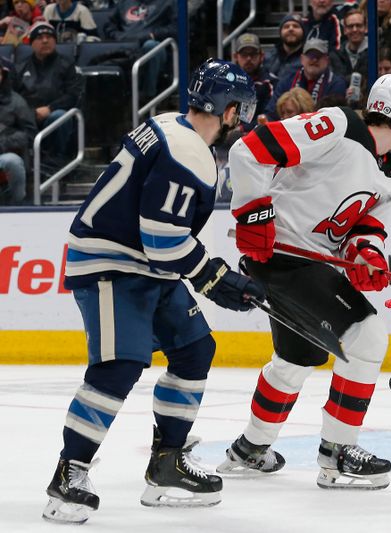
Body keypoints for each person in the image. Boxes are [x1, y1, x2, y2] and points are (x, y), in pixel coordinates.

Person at [42, 59, 265, 525]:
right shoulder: (191, 154)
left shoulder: (168, 124)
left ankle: (167, 462)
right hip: (110, 262)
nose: (240, 120)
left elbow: (160, 243)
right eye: (239, 109)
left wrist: (211, 276)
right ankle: (70, 472)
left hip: (141, 263)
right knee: (119, 365)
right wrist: (215, 277)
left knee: (195, 349)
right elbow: (162, 240)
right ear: (226, 109)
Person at [218, 74, 391, 490]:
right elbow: (249, 150)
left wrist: (367, 255)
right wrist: (253, 213)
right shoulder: (338, 124)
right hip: (281, 257)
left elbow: (365, 228)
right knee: (368, 338)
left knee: (295, 361)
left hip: (305, 265)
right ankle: (338, 454)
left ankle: (248, 449)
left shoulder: (389, 171)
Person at [14, 22, 84, 165]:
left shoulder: (67, 64)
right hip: (27, 117)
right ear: (32, 43)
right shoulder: (20, 67)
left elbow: (73, 95)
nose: (45, 41)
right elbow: (12, 97)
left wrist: (49, 109)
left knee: (58, 116)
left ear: (55, 41)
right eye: (39, 38)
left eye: (49, 37)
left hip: (54, 116)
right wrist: (29, 113)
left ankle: (56, 161)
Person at [104, 0, 177, 100]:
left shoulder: (169, 2)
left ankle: (148, 96)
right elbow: (108, 26)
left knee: (151, 46)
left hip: (154, 44)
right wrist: (118, 36)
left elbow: (175, 28)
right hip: (126, 45)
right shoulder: (124, 3)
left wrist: (153, 34)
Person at [265, 38, 347, 120]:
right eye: (310, 55)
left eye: (319, 56)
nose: (314, 60)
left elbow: (334, 117)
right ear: (302, 59)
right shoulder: (286, 81)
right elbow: (272, 112)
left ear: (327, 60)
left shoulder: (336, 83)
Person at [0, 55, 36, 205]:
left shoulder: (17, 102)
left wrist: (3, 141)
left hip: (5, 154)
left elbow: (30, 135)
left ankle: (17, 205)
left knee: (13, 161)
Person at [231, 33, 273, 133]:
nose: (249, 58)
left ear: (262, 56)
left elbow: (269, 117)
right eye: (244, 54)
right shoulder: (226, 82)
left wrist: (242, 129)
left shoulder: (270, 83)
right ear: (235, 56)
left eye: (253, 54)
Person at [263, 13, 305, 82]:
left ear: (303, 32)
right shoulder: (269, 58)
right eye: (286, 26)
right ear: (280, 32)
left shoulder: (309, 59)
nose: (291, 29)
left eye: (295, 26)